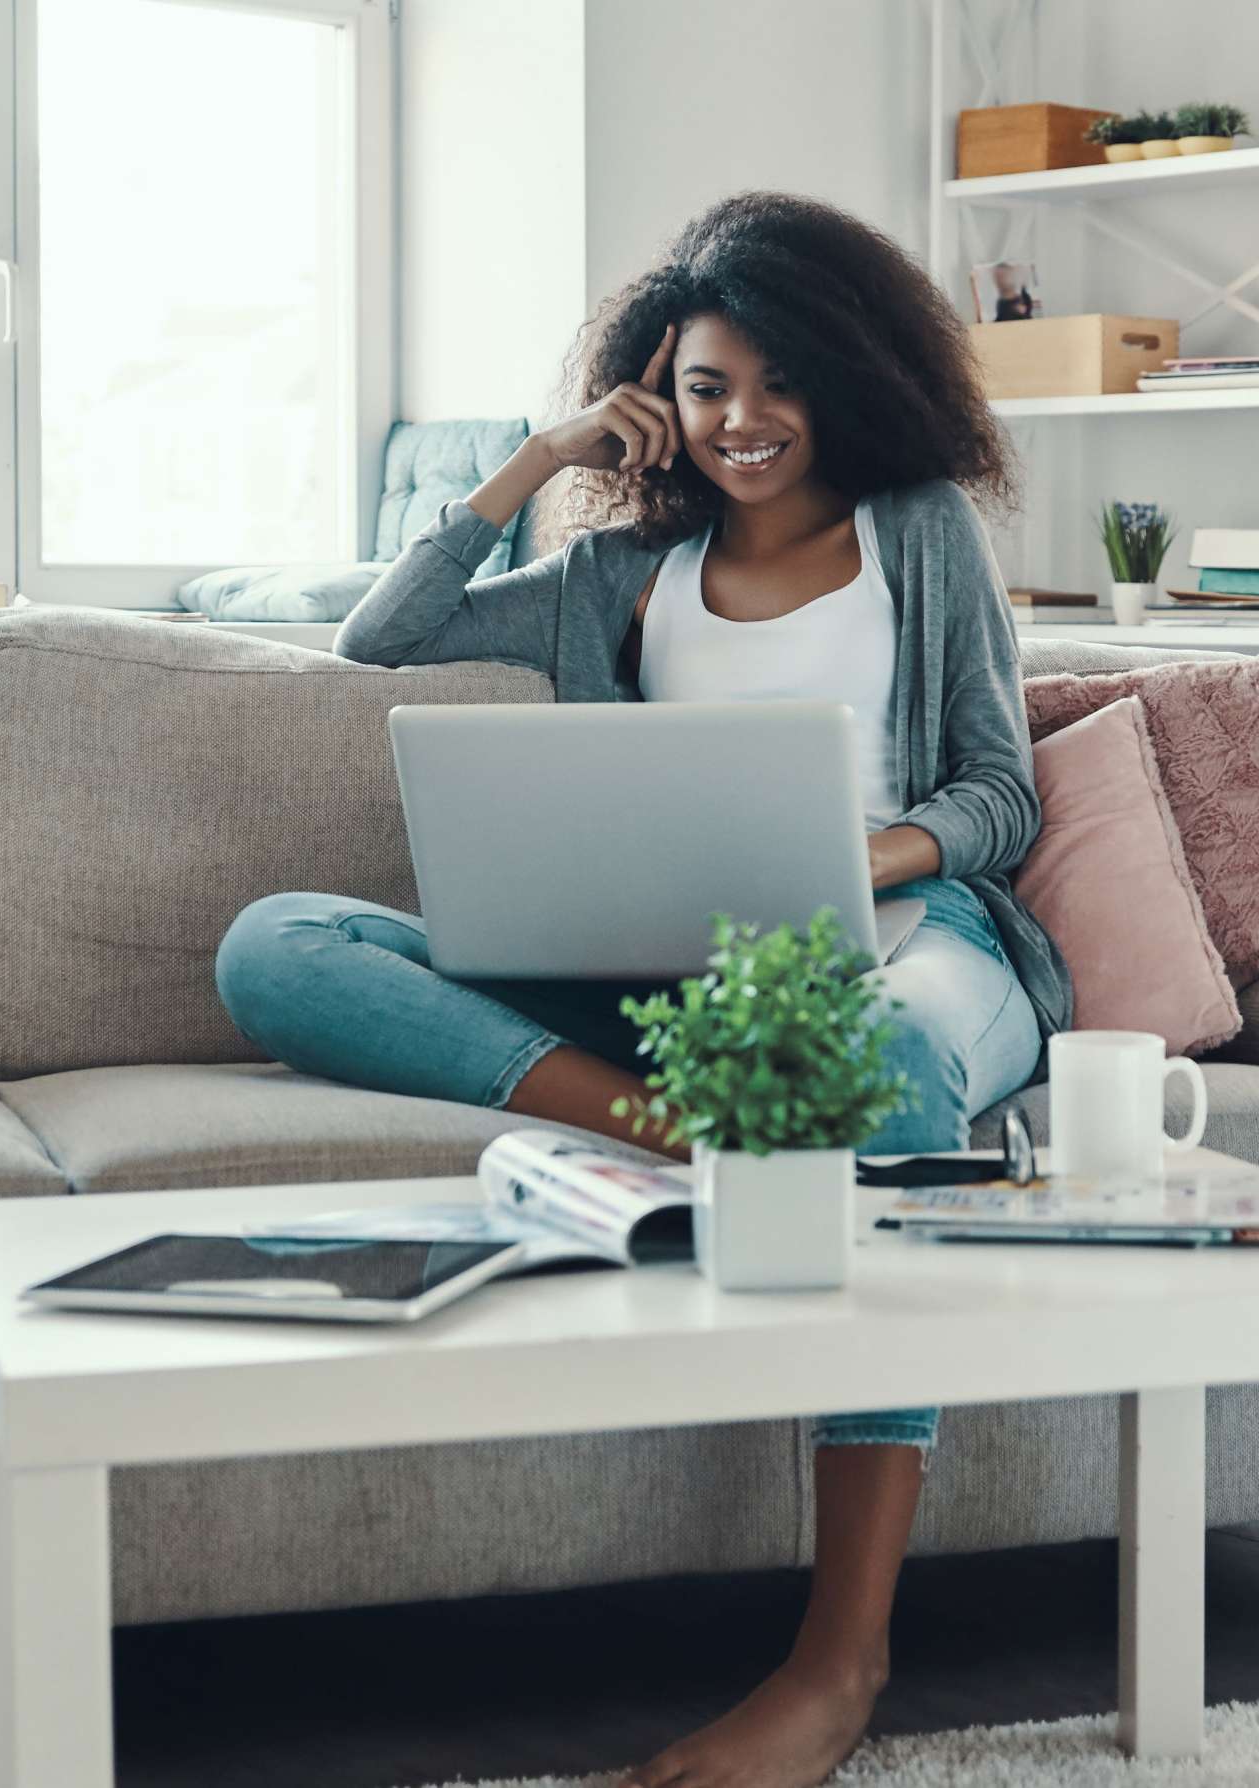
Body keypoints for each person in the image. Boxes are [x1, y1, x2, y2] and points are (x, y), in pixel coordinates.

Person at [213, 190, 1069, 1788]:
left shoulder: (921, 536)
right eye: (704, 388)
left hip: (910, 944)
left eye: (777, 382)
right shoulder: (615, 572)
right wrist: (539, 465)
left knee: (871, 1063)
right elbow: (373, 643)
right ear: (654, 401)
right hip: (681, 985)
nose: (743, 423)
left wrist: (860, 853)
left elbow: (998, 795)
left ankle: (836, 1664)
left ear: (849, 374)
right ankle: (687, 1126)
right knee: (277, 941)